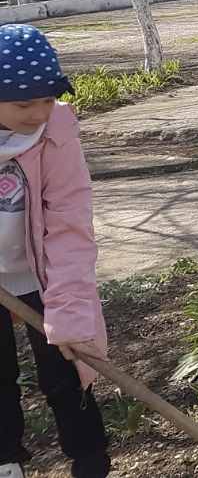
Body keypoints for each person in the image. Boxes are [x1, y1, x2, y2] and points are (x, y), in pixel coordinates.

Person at [0, 24, 112, 478]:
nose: (38, 113)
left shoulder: (56, 135)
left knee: (68, 367)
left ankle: (90, 461)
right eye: (24, 103)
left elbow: (69, 226)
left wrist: (66, 312)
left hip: (44, 275)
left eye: (48, 99)